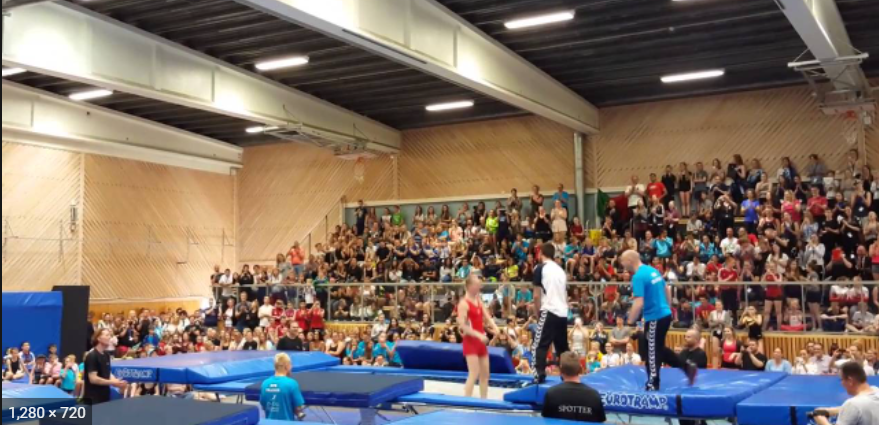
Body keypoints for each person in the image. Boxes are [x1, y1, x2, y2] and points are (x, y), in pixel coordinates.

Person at [621, 250, 696, 390]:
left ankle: (653, 382)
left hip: (655, 317)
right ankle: (686, 367)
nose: (622, 265)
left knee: (652, 350)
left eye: (623, 261)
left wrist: (630, 321)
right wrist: (667, 307)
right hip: (663, 314)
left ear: (630, 261)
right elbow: (666, 288)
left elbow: (638, 302)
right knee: (657, 348)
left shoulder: (638, 276)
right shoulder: (652, 270)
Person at [532, 243, 571, 384]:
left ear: (541, 253)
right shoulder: (560, 270)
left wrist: (538, 313)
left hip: (549, 309)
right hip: (562, 312)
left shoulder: (540, 268)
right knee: (562, 348)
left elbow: (536, 295)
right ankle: (568, 375)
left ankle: (539, 375)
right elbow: (565, 294)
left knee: (539, 345)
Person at [458, 275, 500, 399]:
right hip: (471, 341)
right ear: (470, 286)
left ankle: (484, 401)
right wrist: (478, 335)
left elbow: (487, 316)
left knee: (485, 374)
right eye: (477, 285)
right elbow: (463, 326)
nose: (479, 287)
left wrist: (495, 327)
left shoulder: (478, 300)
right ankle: (466, 401)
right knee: (474, 373)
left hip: (481, 342)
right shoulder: (463, 304)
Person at [541, 352, 607, 423]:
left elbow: (546, 421)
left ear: (560, 370)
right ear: (580, 369)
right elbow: (601, 421)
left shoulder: (551, 394)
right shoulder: (594, 395)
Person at [811, 362, 878, 425]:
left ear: (850, 381)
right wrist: (831, 411)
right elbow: (861, 408)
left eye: (841, 379)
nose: (841, 383)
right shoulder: (876, 390)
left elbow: (855, 407)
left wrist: (820, 420)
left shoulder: (852, 404)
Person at [83, 329, 127, 405]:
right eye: (106, 335)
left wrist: (117, 382)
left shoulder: (106, 355)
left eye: (109, 335)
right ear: (99, 338)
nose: (109, 337)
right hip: (93, 399)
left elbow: (108, 373)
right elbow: (93, 379)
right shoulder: (92, 356)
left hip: (105, 397)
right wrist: (112, 382)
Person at [259, 353, 306, 422]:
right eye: (291, 364)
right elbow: (298, 407)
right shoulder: (292, 384)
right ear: (287, 366)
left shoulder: (265, 384)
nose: (291, 367)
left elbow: (263, 406)